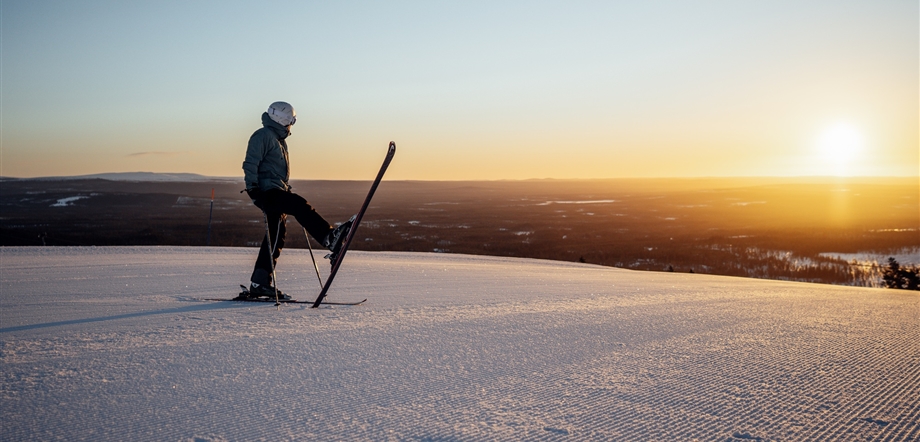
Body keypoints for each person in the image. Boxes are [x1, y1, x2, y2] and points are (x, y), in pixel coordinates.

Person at [241, 101, 353, 299]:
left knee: (276, 235)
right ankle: (329, 238)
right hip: (266, 192)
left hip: (273, 190)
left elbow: (272, 170)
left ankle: (259, 282)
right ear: (283, 119)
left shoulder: (277, 139)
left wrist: (284, 187)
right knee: (299, 205)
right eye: (291, 120)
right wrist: (253, 190)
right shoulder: (264, 136)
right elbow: (251, 163)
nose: (291, 124)